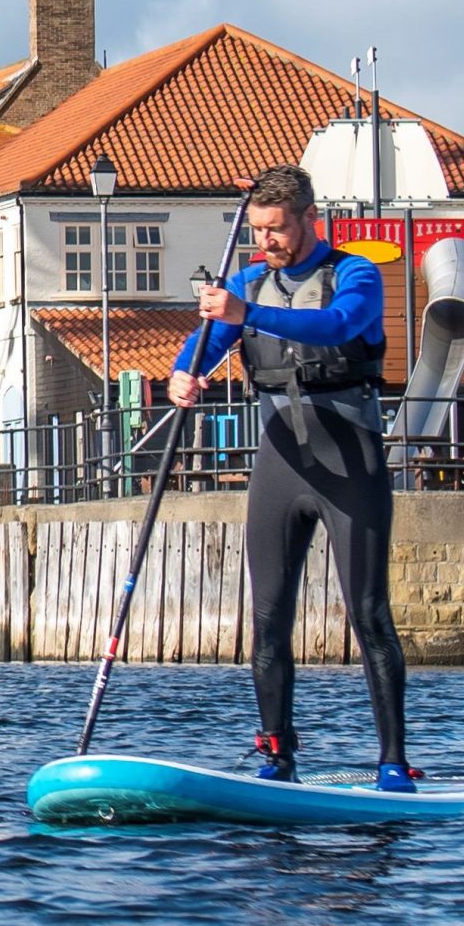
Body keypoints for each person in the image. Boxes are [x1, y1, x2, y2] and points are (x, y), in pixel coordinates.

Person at [163, 165, 416, 790]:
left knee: (369, 614)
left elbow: (336, 328)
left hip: (349, 460)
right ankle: (277, 754)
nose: (267, 241)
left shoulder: (353, 274)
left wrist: (247, 310)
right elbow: (205, 344)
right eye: (258, 230)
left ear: (308, 219)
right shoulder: (250, 280)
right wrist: (181, 375)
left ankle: (392, 760)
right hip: (280, 463)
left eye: (277, 229)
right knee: (269, 615)